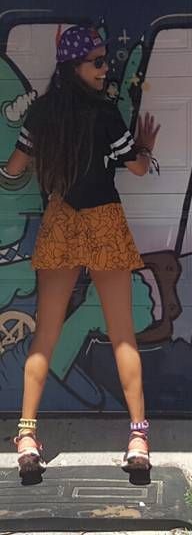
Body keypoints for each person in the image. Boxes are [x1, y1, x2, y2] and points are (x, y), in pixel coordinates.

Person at [2, 26, 160, 478]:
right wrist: (146, 147)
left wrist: (17, 175)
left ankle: (27, 436)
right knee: (123, 333)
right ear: (74, 65)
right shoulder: (105, 113)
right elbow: (138, 167)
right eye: (97, 62)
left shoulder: (42, 113)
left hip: (61, 220)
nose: (105, 69)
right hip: (104, 221)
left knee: (45, 334)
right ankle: (138, 437)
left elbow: (13, 169)